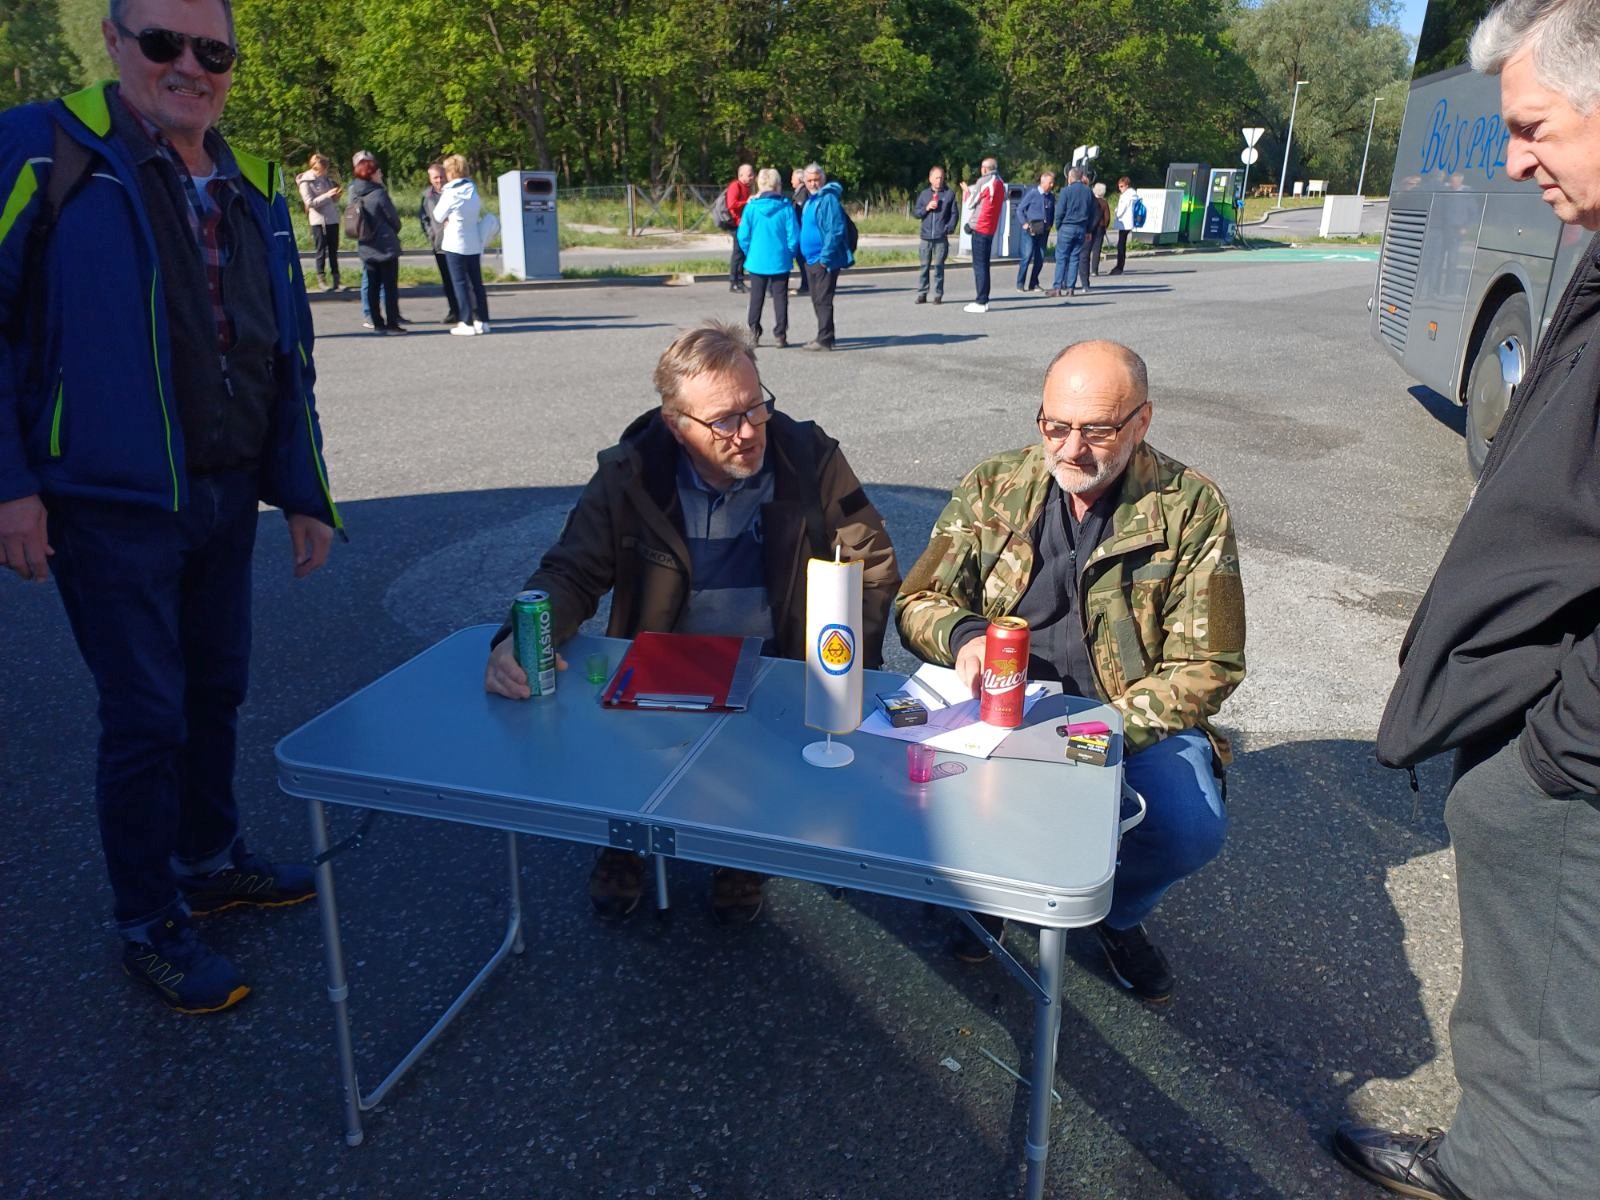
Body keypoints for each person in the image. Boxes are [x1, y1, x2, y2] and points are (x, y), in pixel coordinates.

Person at [0, 0, 341, 1014]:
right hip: (108, 502)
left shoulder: (252, 179)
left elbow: (283, 352)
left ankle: (208, 858)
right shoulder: (42, 149)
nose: (190, 65)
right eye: (163, 43)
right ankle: (148, 920)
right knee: (147, 715)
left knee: (215, 690)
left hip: (224, 492)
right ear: (115, 42)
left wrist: (304, 490)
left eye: (212, 49)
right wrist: (11, 484)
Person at [1334, 2, 1600, 1197]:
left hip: (1573, 772)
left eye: (1534, 127)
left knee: (1549, 1060)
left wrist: (1553, 756)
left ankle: (1510, 1174)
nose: (1512, 158)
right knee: (1537, 1027)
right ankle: (1489, 1159)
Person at [484, 321, 900, 923]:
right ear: (677, 425)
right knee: (634, 763)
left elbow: (872, 561)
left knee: (756, 762)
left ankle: (739, 853)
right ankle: (624, 845)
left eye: (756, 406)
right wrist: (518, 637)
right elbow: (572, 569)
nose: (749, 431)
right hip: (663, 666)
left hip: (774, 662)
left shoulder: (808, 456)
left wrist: (845, 662)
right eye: (724, 420)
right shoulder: (632, 472)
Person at [895, 340, 1244, 1002]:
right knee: (913, 791)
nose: (1072, 450)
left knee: (1188, 827)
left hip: (1125, 715)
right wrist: (965, 636)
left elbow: (1209, 664)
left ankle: (1118, 913)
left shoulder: (1189, 507)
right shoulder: (995, 485)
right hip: (997, 708)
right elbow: (917, 602)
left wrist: (1095, 733)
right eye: (1056, 426)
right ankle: (985, 895)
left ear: (1142, 421)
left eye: (1098, 431)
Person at [736, 167, 801, 347]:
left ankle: (753, 333)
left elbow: (743, 236)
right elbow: (793, 236)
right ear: (777, 185)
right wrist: (789, 253)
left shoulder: (751, 208)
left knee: (756, 298)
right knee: (780, 299)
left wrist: (750, 252)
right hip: (780, 259)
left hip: (757, 259)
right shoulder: (786, 208)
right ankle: (780, 334)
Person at [433, 154, 490, 336]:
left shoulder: (451, 191)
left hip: (455, 243)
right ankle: (482, 320)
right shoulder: (472, 189)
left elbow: (438, 216)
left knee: (460, 283)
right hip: (473, 241)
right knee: (476, 283)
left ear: (450, 172)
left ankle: (466, 322)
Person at [348, 149, 404, 333]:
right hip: (385, 246)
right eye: (378, 172)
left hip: (366, 244)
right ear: (371, 174)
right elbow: (393, 219)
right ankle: (392, 322)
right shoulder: (379, 194)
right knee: (389, 287)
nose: (381, 175)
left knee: (372, 286)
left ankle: (377, 322)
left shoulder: (355, 193)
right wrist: (394, 229)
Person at [798, 163, 852, 351]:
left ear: (823, 179)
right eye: (810, 180)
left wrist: (825, 258)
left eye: (817, 179)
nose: (813, 183)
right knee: (817, 300)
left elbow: (835, 230)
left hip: (824, 260)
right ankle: (825, 334)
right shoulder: (810, 201)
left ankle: (825, 339)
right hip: (810, 259)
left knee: (823, 300)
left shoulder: (828, 199)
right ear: (804, 182)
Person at [960, 157, 1004, 313]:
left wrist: (966, 192)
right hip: (990, 228)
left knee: (979, 266)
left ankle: (981, 300)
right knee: (985, 265)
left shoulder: (983, 181)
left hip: (980, 227)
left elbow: (970, 203)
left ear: (985, 169)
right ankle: (984, 299)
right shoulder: (1000, 182)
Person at [420, 160, 461, 325]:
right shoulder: (427, 197)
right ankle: (454, 310)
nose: (439, 180)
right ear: (430, 179)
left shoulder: (454, 192)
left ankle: (467, 310)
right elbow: (424, 219)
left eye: (441, 176)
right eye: (435, 177)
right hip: (439, 245)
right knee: (447, 281)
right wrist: (431, 235)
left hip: (456, 243)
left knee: (460, 279)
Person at [912, 164, 959, 304]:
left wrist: (948, 228)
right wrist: (926, 208)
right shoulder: (924, 194)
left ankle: (938, 294)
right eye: (937, 178)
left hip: (940, 237)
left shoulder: (949, 194)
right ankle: (922, 293)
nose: (939, 180)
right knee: (924, 266)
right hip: (925, 237)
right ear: (930, 178)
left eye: (941, 178)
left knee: (939, 267)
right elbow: (916, 212)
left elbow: (954, 214)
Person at [296, 152, 341, 291]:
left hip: (332, 219)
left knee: (333, 251)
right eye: (324, 168)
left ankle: (336, 280)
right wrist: (327, 195)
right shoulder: (306, 181)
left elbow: (331, 199)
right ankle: (321, 279)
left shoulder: (326, 179)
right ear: (316, 167)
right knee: (321, 250)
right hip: (318, 221)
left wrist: (335, 196)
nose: (326, 171)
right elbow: (309, 202)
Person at [1049, 166, 1094, 298]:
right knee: (1075, 258)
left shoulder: (1065, 191)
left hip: (1067, 226)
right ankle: (1070, 288)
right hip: (1081, 228)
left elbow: (1059, 211)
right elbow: (1091, 212)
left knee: (1061, 258)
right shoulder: (1088, 191)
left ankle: (1058, 287)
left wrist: (1058, 226)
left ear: (1070, 178)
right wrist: (1088, 230)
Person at [1014, 170, 1055, 292]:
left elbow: (1051, 212)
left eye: (1052, 183)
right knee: (1026, 257)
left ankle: (1034, 283)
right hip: (1030, 231)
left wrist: (1050, 225)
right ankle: (1020, 283)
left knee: (1040, 257)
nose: (1052, 185)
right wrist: (1024, 223)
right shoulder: (1033, 193)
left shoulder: (1051, 196)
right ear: (1043, 182)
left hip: (1043, 231)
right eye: (1050, 183)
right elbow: (1020, 209)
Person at [724, 163, 754, 293]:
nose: (752, 177)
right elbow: (731, 204)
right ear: (741, 175)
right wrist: (747, 202)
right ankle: (734, 282)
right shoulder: (735, 186)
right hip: (736, 224)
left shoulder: (746, 188)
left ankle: (740, 281)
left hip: (743, 225)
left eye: (752, 174)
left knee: (742, 253)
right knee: (737, 254)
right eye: (750, 175)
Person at [1110, 176, 1137, 275]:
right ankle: (1120, 265)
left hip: (1124, 222)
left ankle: (1119, 266)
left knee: (1121, 245)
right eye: (1119, 186)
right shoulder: (1133, 195)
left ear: (1127, 186)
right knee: (1122, 243)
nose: (1120, 188)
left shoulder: (1126, 196)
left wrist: (1116, 212)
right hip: (1129, 222)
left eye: (1122, 186)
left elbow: (1121, 210)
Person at [790, 167, 809, 295]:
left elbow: (800, 212)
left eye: (793, 178)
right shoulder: (798, 192)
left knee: (802, 260)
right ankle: (806, 284)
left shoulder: (803, 193)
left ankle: (806, 285)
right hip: (799, 229)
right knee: (801, 259)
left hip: (801, 229)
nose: (791, 180)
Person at [1088, 181, 1111, 278]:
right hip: (1100, 228)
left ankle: (1085, 268)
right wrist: (1105, 226)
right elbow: (1107, 217)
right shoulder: (1104, 203)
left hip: (1089, 227)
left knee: (1087, 248)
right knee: (1097, 249)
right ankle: (1094, 270)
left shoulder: (1090, 201)